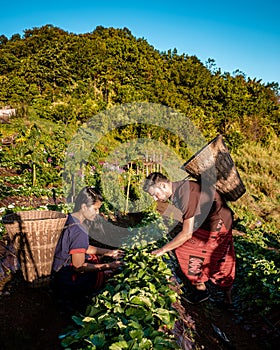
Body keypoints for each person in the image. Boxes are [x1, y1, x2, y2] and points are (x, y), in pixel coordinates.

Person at [143, 172, 235, 305]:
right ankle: (227, 297)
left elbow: (186, 234)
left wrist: (162, 250)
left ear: (162, 185)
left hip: (217, 223)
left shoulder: (183, 194)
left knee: (184, 249)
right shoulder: (180, 189)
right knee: (220, 256)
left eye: (154, 194)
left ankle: (201, 290)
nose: (155, 199)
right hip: (216, 219)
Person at [52, 186, 124, 311]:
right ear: (84, 207)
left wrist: (109, 253)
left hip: (58, 272)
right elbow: (78, 267)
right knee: (98, 272)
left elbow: (82, 247)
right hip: (67, 280)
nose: (97, 213)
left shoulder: (70, 218)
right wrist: (108, 266)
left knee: (96, 259)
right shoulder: (79, 230)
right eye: (95, 209)